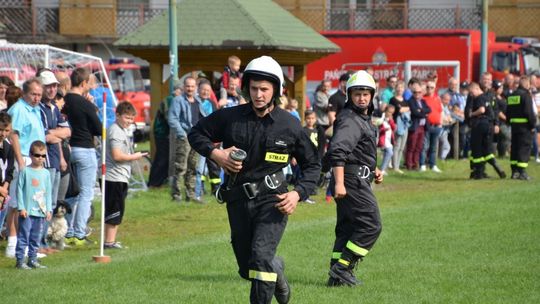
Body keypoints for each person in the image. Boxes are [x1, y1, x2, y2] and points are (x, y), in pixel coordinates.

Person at [188, 55, 320, 304]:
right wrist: (216, 154)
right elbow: (196, 133)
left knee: (260, 259)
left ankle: (268, 268)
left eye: (264, 89)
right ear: (246, 88)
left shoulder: (290, 125)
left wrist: (297, 193)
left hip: (274, 200)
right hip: (237, 200)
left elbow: (313, 165)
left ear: (276, 91)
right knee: (248, 268)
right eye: (254, 88)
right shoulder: (230, 117)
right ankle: (276, 270)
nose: (258, 94)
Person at [325, 70, 383, 287]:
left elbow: (358, 151)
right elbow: (338, 152)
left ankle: (335, 276)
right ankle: (343, 268)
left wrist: (373, 168)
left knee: (348, 228)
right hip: (350, 181)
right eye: (357, 93)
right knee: (371, 225)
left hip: (356, 177)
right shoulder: (350, 119)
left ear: (372, 95)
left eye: (366, 93)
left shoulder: (361, 119)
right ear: (349, 95)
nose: (362, 98)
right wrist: (339, 183)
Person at [5, 78, 46, 258]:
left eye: (39, 95)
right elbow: (14, 135)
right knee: (17, 202)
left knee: (28, 203)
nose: (37, 98)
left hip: (33, 159)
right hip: (23, 158)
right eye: (33, 94)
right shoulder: (20, 109)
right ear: (25, 93)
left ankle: (25, 244)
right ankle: (13, 244)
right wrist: (20, 160)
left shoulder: (35, 109)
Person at [62, 68, 102, 246]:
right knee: (86, 193)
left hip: (68, 149)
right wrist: (94, 108)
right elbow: (98, 128)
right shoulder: (85, 104)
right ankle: (79, 232)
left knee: (73, 192)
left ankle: (68, 231)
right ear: (84, 83)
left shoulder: (65, 100)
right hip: (85, 148)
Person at [104, 102, 148, 249]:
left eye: (131, 118)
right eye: (126, 117)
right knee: (114, 209)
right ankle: (109, 242)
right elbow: (117, 155)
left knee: (119, 208)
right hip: (113, 177)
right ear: (117, 115)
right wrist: (134, 156)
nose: (129, 121)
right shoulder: (115, 131)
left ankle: (112, 240)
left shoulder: (121, 130)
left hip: (120, 176)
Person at [37, 69, 71, 254]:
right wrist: (55, 134)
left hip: (56, 160)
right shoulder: (39, 109)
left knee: (51, 204)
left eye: (54, 86)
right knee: (44, 203)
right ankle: (41, 242)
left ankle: (45, 241)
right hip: (46, 162)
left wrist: (54, 133)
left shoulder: (54, 108)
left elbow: (66, 132)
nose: (51, 90)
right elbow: (44, 137)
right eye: (48, 86)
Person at [15, 140, 52, 269]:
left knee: (36, 237)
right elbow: (19, 190)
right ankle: (20, 260)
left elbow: (48, 192)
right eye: (37, 155)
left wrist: (48, 210)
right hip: (27, 211)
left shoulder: (46, 173)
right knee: (24, 236)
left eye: (43, 156)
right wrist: (22, 207)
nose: (40, 158)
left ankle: (33, 258)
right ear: (31, 155)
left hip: (40, 212)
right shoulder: (25, 171)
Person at [168, 76, 203, 203]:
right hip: (184, 138)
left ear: (195, 88)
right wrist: (182, 134)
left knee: (194, 167)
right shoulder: (178, 100)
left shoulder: (198, 101)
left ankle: (191, 195)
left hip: (196, 138)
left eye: (192, 86)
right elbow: (172, 119)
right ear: (184, 87)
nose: (190, 88)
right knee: (180, 167)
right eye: (188, 86)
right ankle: (176, 195)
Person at [468, 83, 506, 179]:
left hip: (480, 124)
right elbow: (493, 112)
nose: (471, 95)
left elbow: (481, 110)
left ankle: (479, 174)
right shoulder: (487, 98)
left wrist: (472, 114)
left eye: (472, 92)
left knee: (477, 149)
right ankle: (497, 167)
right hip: (489, 126)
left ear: (477, 89)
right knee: (486, 149)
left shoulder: (479, 98)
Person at [506, 76, 536, 180]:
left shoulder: (511, 96)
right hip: (525, 127)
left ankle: (514, 172)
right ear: (526, 84)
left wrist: (509, 123)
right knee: (524, 148)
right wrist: (532, 125)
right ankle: (522, 172)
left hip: (514, 127)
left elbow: (508, 113)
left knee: (515, 148)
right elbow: (529, 112)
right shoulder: (526, 95)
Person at [405, 83, 430, 170]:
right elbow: (415, 113)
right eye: (415, 92)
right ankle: (409, 164)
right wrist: (424, 113)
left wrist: (421, 110)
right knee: (411, 146)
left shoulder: (423, 101)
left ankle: (416, 164)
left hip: (422, 127)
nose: (417, 94)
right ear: (412, 93)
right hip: (415, 126)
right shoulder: (411, 101)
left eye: (419, 92)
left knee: (419, 147)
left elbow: (429, 109)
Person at [419, 80, 443, 173]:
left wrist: (440, 123)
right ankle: (422, 164)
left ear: (435, 88)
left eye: (431, 87)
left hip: (436, 126)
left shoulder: (437, 99)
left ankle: (433, 165)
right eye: (428, 87)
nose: (429, 89)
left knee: (433, 147)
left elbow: (440, 111)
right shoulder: (423, 99)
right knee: (425, 146)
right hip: (426, 125)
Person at [390, 80, 410, 173]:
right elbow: (399, 110)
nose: (400, 89)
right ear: (395, 88)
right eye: (398, 87)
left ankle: (397, 165)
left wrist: (403, 109)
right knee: (397, 146)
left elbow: (408, 109)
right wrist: (403, 109)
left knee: (402, 147)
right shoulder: (393, 100)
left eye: (401, 87)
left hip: (405, 125)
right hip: (397, 125)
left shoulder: (405, 100)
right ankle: (395, 166)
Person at [0, 113, 15, 233]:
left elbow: (9, 171)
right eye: (0, 130)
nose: (3, 134)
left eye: (6, 130)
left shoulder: (8, 147)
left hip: (3, 192)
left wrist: (4, 188)